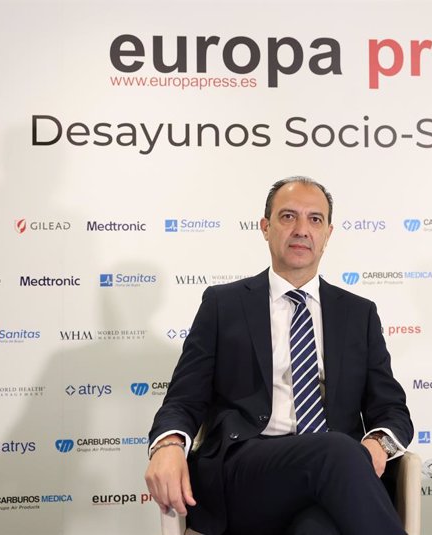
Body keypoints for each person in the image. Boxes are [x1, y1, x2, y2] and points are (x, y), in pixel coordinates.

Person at [145, 177, 413, 535]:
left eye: (315, 220)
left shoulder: (358, 313)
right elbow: (183, 398)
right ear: (265, 227)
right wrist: (167, 443)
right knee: (335, 450)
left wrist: (377, 446)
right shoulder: (223, 304)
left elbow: (392, 409)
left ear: (328, 234)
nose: (302, 229)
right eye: (288, 217)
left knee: (318, 528)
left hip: (334, 477)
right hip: (248, 470)